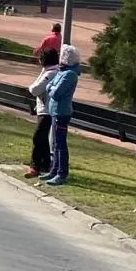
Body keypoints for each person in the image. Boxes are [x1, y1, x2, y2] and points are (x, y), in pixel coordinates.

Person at [41, 44, 81, 186]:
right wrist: (51, 87)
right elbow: (49, 86)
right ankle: (54, 169)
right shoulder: (61, 72)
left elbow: (56, 93)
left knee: (60, 144)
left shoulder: (69, 74)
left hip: (62, 112)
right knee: (55, 143)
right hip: (55, 110)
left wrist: (51, 87)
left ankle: (61, 173)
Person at [25, 47, 59, 178]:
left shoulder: (50, 74)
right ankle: (45, 164)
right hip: (44, 109)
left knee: (38, 137)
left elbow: (34, 89)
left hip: (47, 111)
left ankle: (35, 165)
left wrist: (43, 71)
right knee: (43, 138)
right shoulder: (48, 72)